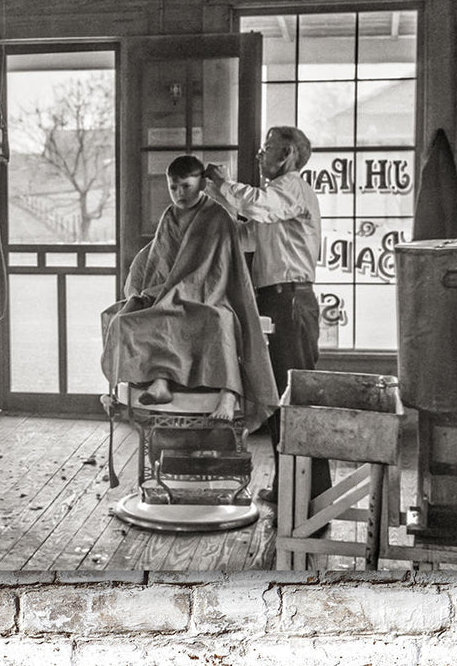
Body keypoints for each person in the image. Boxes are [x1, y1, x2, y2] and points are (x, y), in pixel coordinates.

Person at [101, 155, 277, 427]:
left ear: (202, 185)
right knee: (123, 321)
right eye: (174, 187)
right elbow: (160, 265)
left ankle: (229, 392)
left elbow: (217, 269)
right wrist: (163, 295)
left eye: (186, 186)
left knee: (218, 321)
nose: (179, 194)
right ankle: (160, 381)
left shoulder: (217, 216)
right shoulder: (170, 216)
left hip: (211, 295)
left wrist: (183, 293)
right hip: (168, 293)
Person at [203, 126, 326, 504]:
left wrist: (224, 186)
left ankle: (310, 489)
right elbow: (247, 236)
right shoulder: (278, 198)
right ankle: (293, 485)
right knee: (277, 398)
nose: (259, 155)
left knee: (294, 398)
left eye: (265, 148)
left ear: (286, 155)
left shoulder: (290, 187)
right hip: (276, 302)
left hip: (290, 301)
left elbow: (257, 205)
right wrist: (209, 214)